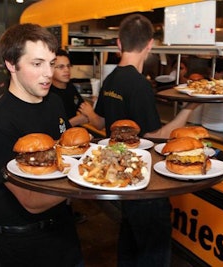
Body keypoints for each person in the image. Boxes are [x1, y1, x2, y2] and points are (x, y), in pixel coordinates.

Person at [81, 14, 199, 267]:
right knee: (152, 248)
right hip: (145, 179)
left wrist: (89, 113)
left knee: (130, 238)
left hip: (122, 174)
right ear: (151, 45)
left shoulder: (111, 79)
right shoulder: (139, 85)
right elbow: (155, 136)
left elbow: (101, 122)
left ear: (118, 43)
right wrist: (190, 107)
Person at [0, 23, 83, 267]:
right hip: (22, 239)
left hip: (64, 228)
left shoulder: (55, 103)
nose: (49, 73)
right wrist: (89, 182)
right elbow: (31, 200)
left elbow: (65, 155)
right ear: (11, 64)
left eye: (51, 62)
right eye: (37, 64)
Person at [50, 48, 95, 127]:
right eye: (61, 67)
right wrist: (75, 121)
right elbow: (52, 129)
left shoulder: (70, 87)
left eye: (68, 66)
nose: (66, 70)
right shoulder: (48, 95)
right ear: (50, 69)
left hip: (74, 134)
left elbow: (83, 107)